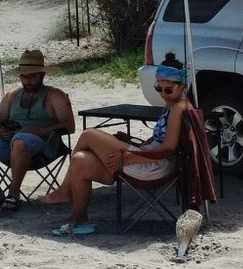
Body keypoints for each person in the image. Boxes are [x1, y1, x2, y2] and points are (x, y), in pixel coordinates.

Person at [41, 53, 190, 236]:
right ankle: (79, 218)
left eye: (169, 90)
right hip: (148, 156)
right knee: (80, 160)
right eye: (159, 88)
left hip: (154, 165)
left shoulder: (178, 108)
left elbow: (168, 148)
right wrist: (135, 142)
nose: (163, 94)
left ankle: (65, 191)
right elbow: (159, 139)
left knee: (88, 134)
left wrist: (131, 156)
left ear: (182, 85)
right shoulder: (172, 104)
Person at [0, 49, 76, 213]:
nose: (28, 81)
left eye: (32, 76)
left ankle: (14, 193)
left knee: (20, 140)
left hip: (43, 145)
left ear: (42, 75)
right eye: (24, 77)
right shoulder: (12, 96)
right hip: (11, 142)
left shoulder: (55, 96)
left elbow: (69, 127)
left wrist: (40, 130)